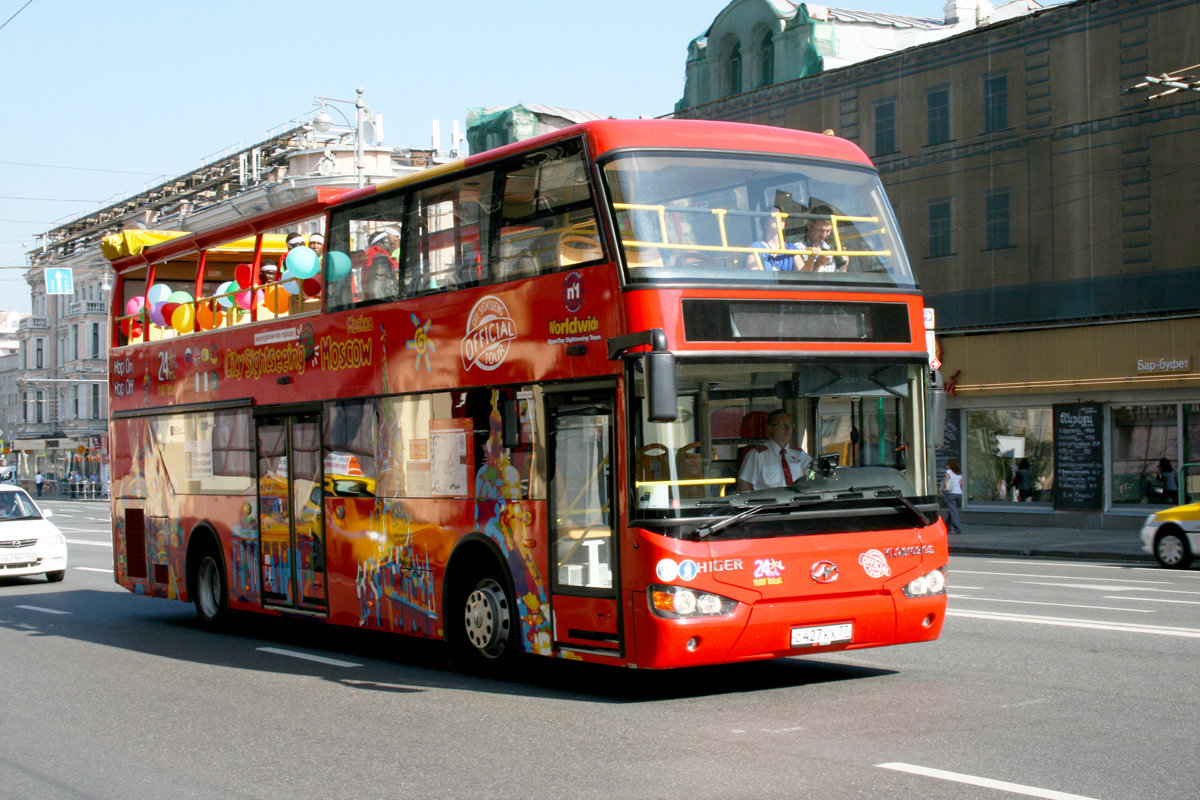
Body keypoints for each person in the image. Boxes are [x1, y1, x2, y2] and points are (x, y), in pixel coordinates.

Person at [737, 409, 812, 491]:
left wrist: (815, 472)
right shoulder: (757, 455)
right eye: (782, 425)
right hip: (770, 502)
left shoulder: (800, 454)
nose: (787, 428)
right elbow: (744, 487)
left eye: (789, 424)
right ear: (770, 428)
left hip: (799, 502)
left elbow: (813, 477)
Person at [797, 206, 850, 273]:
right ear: (810, 225)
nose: (824, 235)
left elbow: (839, 278)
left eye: (828, 231)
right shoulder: (797, 248)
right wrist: (818, 263)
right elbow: (800, 278)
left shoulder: (832, 249)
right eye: (821, 230)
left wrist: (844, 265)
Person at [941, 459, 964, 534]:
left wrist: (941, 490)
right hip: (959, 493)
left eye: (947, 465)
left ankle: (958, 528)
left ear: (950, 465)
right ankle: (947, 528)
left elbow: (945, 481)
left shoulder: (948, 472)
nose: (946, 466)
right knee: (952, 511)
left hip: (951, 493)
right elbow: (961, 483)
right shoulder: (959, 473)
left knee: (953, 512)